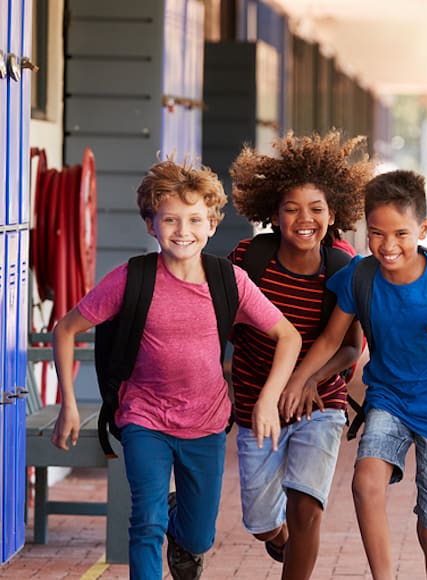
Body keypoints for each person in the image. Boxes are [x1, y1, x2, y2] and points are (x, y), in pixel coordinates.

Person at [49, 160, 302, 580]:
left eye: (194, 220)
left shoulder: (229, 281)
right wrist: (69, 405)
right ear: (151, 224)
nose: (182, 230)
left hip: (205, 425)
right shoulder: (132, 278)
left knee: (200, 535)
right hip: (144, 419)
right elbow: (66, 328)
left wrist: (268, 401)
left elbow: (288, 336)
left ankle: (182, 527)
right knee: (145, 523)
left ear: (212, 225)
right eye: (170, 219)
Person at [281, 169, 427, 580]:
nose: (388, 246)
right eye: (376, 233)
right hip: (389, 399)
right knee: (365, 483)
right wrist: (301, 378)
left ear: (422, 228)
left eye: (401, 234)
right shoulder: (361, 276)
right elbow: (333, 339)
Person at [227, 131, 374, 579]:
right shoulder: (250, 260)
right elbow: (224, 327)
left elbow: (351, 347)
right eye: (292, 209)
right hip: (257, 402)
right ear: (274, 214)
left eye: (316, 209)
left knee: (306, 504)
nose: (304, 219)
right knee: (260, 520)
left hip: (321, 401)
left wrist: (308, 379)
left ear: (333, 215)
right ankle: (279, 540)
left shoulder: (345, 267)